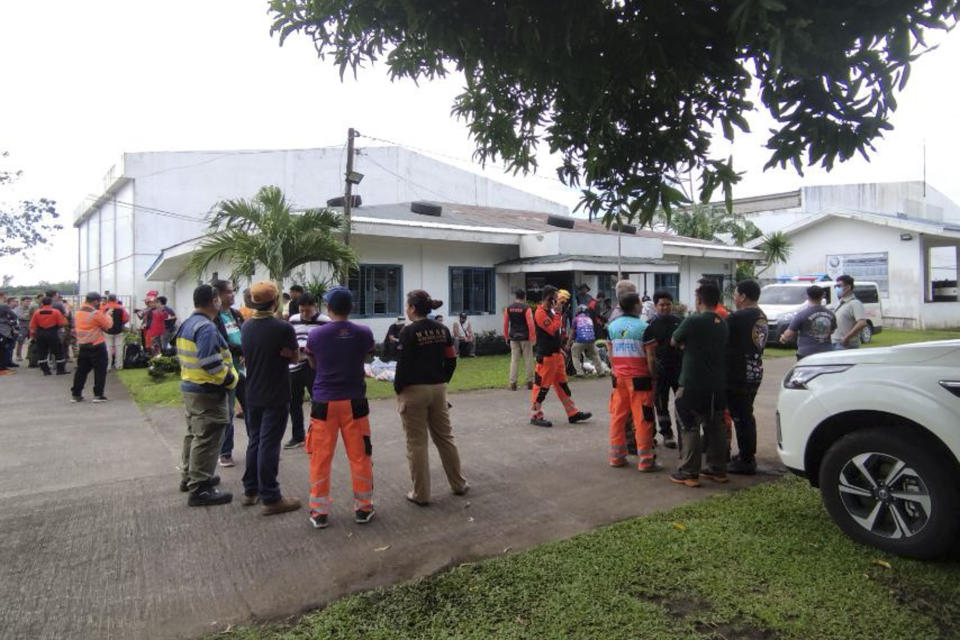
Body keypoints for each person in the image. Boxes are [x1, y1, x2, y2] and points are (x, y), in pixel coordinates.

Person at [304, 286, 377, 527]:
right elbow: (367, 357)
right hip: (355, 401)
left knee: (320, 457)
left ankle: (319, 512)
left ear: (328, 308)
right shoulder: (364, 333)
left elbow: (312, 362)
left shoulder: (316, 335)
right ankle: (363, 508)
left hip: (324, 402)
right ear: (351, 308)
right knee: (360, 456)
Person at [394, 289, 468, 505]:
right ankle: (459, 484)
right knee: (445, 438)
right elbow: (452, 360)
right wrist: (442, 380)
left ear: (413, 308)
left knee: (417, 443)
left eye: (407, 306)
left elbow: (403, 364)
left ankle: (421, 494)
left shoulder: (408, 332)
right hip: (437, 389)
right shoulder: (442, 329)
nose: (406, 310)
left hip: (414, 391)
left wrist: (399, 389)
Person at [240, 281, 301, 515]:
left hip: (252, 392)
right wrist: (286, 354)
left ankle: (251, 490)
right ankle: (271, 497)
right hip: (275, 393)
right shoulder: (282, 328)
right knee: (269, 443)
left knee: (255, 440)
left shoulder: (246, 326)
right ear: (275, 301)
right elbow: (295, 358)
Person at [175, 284, 238, 506]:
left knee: (194, 434)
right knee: (207, 437)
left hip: (192, 388)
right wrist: (229, 379)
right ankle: (200, 488)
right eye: (219, 298)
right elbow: (209, 361)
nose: (222, 301)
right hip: (208, 390)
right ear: (214, 301)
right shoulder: (207, 327)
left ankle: (190, 477)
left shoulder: (187, 324)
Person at [669, 282, 728, 487]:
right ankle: (717, 469)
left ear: (699, 300)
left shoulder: (692, 321)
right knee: (715, 426)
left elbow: (674, 341)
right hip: (717, 384)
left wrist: (687, 344)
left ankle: (689, 472)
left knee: (689, 426)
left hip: (692, 382)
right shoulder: (722, 322)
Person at [606, 293, 659, 471]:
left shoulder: (612, 326)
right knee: (643, 419)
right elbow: (651, 358)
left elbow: (609, 354)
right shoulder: (645, 327)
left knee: (618, 418)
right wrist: (654, 377)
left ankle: (617, 457)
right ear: (637, 305)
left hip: (619, 379)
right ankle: (645, 460)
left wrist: (615, 371)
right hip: (641, 380)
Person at [529, 285, 592, 428]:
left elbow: (556, 333)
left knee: (563, 385)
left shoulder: (550, 312)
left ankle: (572, 413)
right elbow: (552, 329)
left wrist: (560, 348)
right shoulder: (540, 313)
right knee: (542, 387)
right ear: (548, 298)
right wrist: (558, 313)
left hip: (556, 355)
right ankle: (535, 415)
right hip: (546, 356)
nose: (557, 302)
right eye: (555, 298)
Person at [724, 280, 768, 475]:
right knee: (745, 414)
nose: (734, 297)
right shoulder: (760, 315)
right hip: (755, 370)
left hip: (738, 372)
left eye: (735, 294)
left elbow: (721, 339)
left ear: (742, 296)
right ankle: (746, 454)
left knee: (741, 417)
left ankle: (746, 460)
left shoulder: (738, 317)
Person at [286, 293, 328, 449]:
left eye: (308, 311)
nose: (304, 314)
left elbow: (327, 345)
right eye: (302, 310)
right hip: (295, 365)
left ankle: (318, 435)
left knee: (317, 401)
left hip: (314, 365)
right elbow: (289, 339)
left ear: (315, 307)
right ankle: (298, 436)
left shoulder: (325, 322)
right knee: (294, 402)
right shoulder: (293, 319)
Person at [211, 280, 246, 468]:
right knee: (228, 412)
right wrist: (241, 351)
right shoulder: (214, 318)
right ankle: (225, 453)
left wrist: (245, 352)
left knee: (252, 408)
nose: (233, 295)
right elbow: (221, 341)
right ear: (218, 295)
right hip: (227, 371)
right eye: (229, 292)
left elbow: (245, 334)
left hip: (242, 369)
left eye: (233, 292)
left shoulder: (235, 314)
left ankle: (258, 448)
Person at [642, 291, 681, 449]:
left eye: (668, 304)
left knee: (681, 404)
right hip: (660, 371)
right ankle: (667, 434)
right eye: (661, 305)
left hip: (679, 370)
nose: (665, 307)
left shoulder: (680, 322)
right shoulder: (650, 325)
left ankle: (683, 434)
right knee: (661, 404)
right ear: (656, 306)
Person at [71, 292, 113, 402]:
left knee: (81, 371)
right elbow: (108, 326)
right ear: (95, 301)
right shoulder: (95, 313)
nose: (99, 303)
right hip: (96, 344)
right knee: (100, 370)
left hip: (83, 344)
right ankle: (98, 395)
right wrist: (107, 315)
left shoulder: (78, 312)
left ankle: (76, 394)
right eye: (99, 301)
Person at [780, 285, 837, 360]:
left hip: (806, 353)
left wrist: (783, 338)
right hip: (826, 352)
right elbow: (832, 330)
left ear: (807, 296)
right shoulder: (831, 314)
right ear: (823, 296)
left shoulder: (802, 314)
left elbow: (789, 334)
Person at [503, 289, 536, 391]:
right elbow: (530, 324)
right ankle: (530, 382)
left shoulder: (509, 308)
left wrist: (506, 336)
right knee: (528, 359)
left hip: (513, 337)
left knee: (514, 360)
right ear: (524, 297)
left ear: (516, 297)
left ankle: (513, 383)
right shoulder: (526, 308)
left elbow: (505, 323)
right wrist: (533, 337)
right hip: (525, 337)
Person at [28, 298, 68, 375]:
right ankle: (60, 370)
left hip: (40, 334)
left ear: (42, 304)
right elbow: (60, 324)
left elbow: (32, 325)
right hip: (52, 333)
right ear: (51, 304)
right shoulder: (56, 312)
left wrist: (32, 335)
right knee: (58, 352)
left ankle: (46, 371)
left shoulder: (37, 312)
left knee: (42, 352)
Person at [571, 304, 609, 377]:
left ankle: (580, 372)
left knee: (575, 354)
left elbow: (572, 332)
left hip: (580, 340)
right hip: (591, 340)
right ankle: (601, 372)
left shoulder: (576, 319)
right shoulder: (589, 319)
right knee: (595, 355)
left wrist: (569, 342)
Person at [832, 274, 868, 349]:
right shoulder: (840, 302)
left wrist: (847, 337)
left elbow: (862, 323)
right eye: (836, 286)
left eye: (839, 286)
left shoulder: (855, 303)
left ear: (848, 287)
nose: (837, 288)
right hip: (835, 342)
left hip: (845, 344)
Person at [102, 295, 130, 369]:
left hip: (107, 331)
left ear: (108, 299)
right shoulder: (121, 308)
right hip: (119, 331)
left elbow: (100, 318)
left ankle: (107, 366)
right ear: (116, 299)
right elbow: (126, 318)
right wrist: (121, 323)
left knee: (108, 349)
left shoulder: (104, 308)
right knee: (119, 348)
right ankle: (119, 366)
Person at [14, 297, 31, 361]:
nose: (28, 303)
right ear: (22, 301)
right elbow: (21, 317)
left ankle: (29, 355)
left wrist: (27, 315)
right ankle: (18, 355)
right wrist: (28, 315)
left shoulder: (31, 308)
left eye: (29, 301)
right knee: (20, 341)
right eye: (27, 301)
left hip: (30, 326)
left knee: (32, 341)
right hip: (22, 326)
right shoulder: (18, 309)